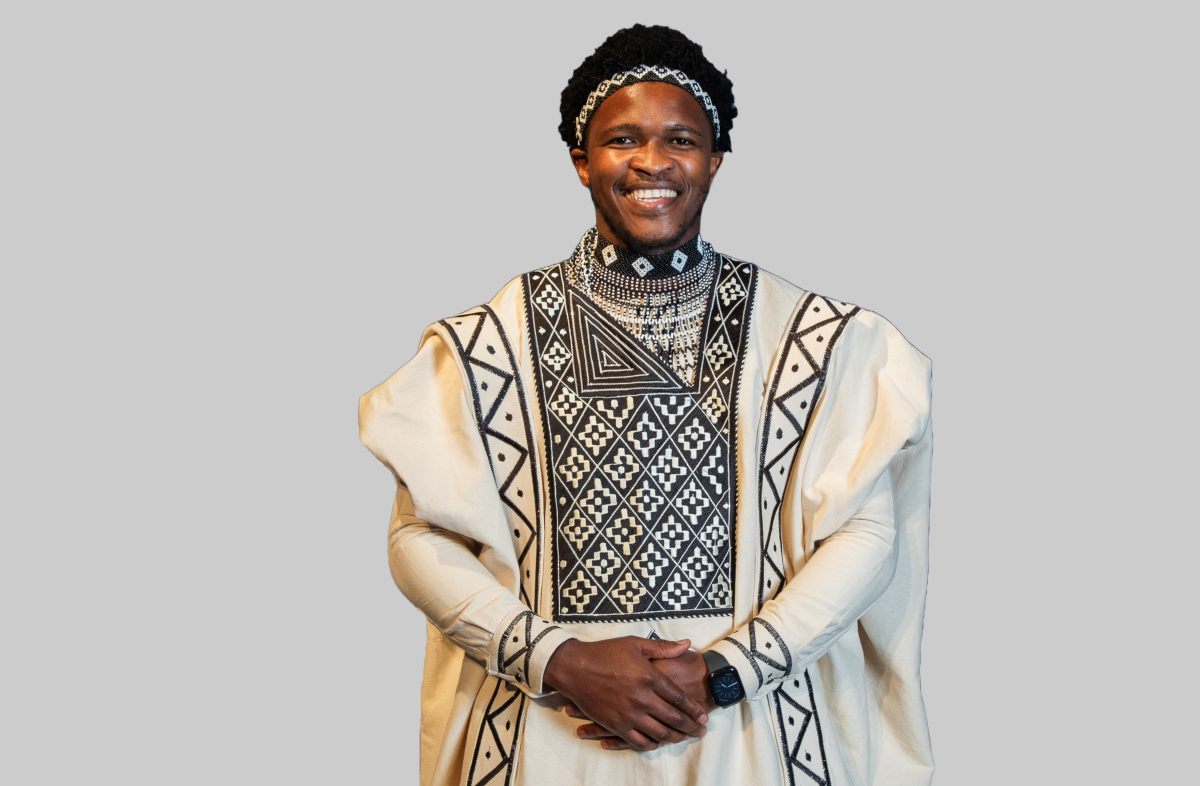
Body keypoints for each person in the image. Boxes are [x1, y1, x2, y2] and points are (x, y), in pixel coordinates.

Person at [360, 24, 935, 786]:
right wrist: (559, 659)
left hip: (752, 731)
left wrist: (724, 672)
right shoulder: (486, 346)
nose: (653, 162)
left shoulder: (814, 340)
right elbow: (417, 539)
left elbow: (866, 531)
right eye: (623, 138)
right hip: (548, 732)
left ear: (715, 159)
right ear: (580, 160)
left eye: (682, 139)